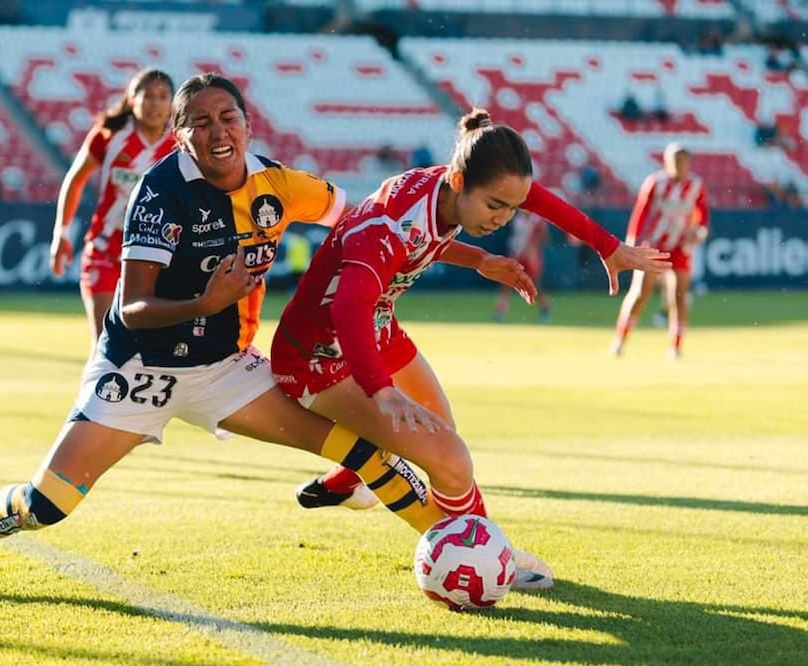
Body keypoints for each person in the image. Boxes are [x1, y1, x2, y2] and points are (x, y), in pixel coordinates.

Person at [0, 73, 462, 596]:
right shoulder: (159, 191)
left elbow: (372, 221)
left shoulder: (279, 184)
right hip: (138, 369)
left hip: (223, 370)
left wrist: (471, 253)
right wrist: (205, 302)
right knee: (48, 505)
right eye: (200, 123)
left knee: (365, 453)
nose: (217, 131)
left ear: (248, 125)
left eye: (228, 117)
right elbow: (131, 308)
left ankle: (465, 544)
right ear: (181, 136)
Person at [271, 109, 670, 589]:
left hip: (377, 328)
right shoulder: (388, 224)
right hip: (316, 356)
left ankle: (352, 481)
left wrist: (604, 246)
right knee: (451, 462)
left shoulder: (448, 192)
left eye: (510, 210)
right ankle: (492, 558)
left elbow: (536, 201)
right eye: (495, 206)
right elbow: (348, 307)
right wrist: (380, 389)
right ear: (459, 180)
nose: (503, 219)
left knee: (446, 444)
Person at [50, 69, 177, 338]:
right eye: (148, 96)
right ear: (132, 99)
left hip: (155, 254)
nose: (155, 104)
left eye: (163, 96)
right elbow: (75, 179)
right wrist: (61, 232)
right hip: (105, 247)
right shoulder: (109, 135)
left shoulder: (179, 145)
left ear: (172, 103)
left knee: (149, 346)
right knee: (105, 342)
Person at [610, 142, 708, 359]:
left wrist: (699, 232)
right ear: (666, 161)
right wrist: (633, 243)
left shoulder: (696, 185)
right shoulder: (655, 182)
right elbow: (640, 214)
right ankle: (619, 340)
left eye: (683, 161)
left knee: (679, 296)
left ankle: (676, 347)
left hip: (680, 245)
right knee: (640, 293)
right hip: (654, 245)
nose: (679, 165)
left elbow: (703, 215)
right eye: (675, 160)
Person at [494, 210, 550, 322]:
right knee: (507, 282)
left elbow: (545, 237)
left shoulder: (537, 219)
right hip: (516, 253)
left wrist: (532, 247)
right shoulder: (517, 218)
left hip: (531, 257)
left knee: (534, 285)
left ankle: (545, 310)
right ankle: (499, 312)